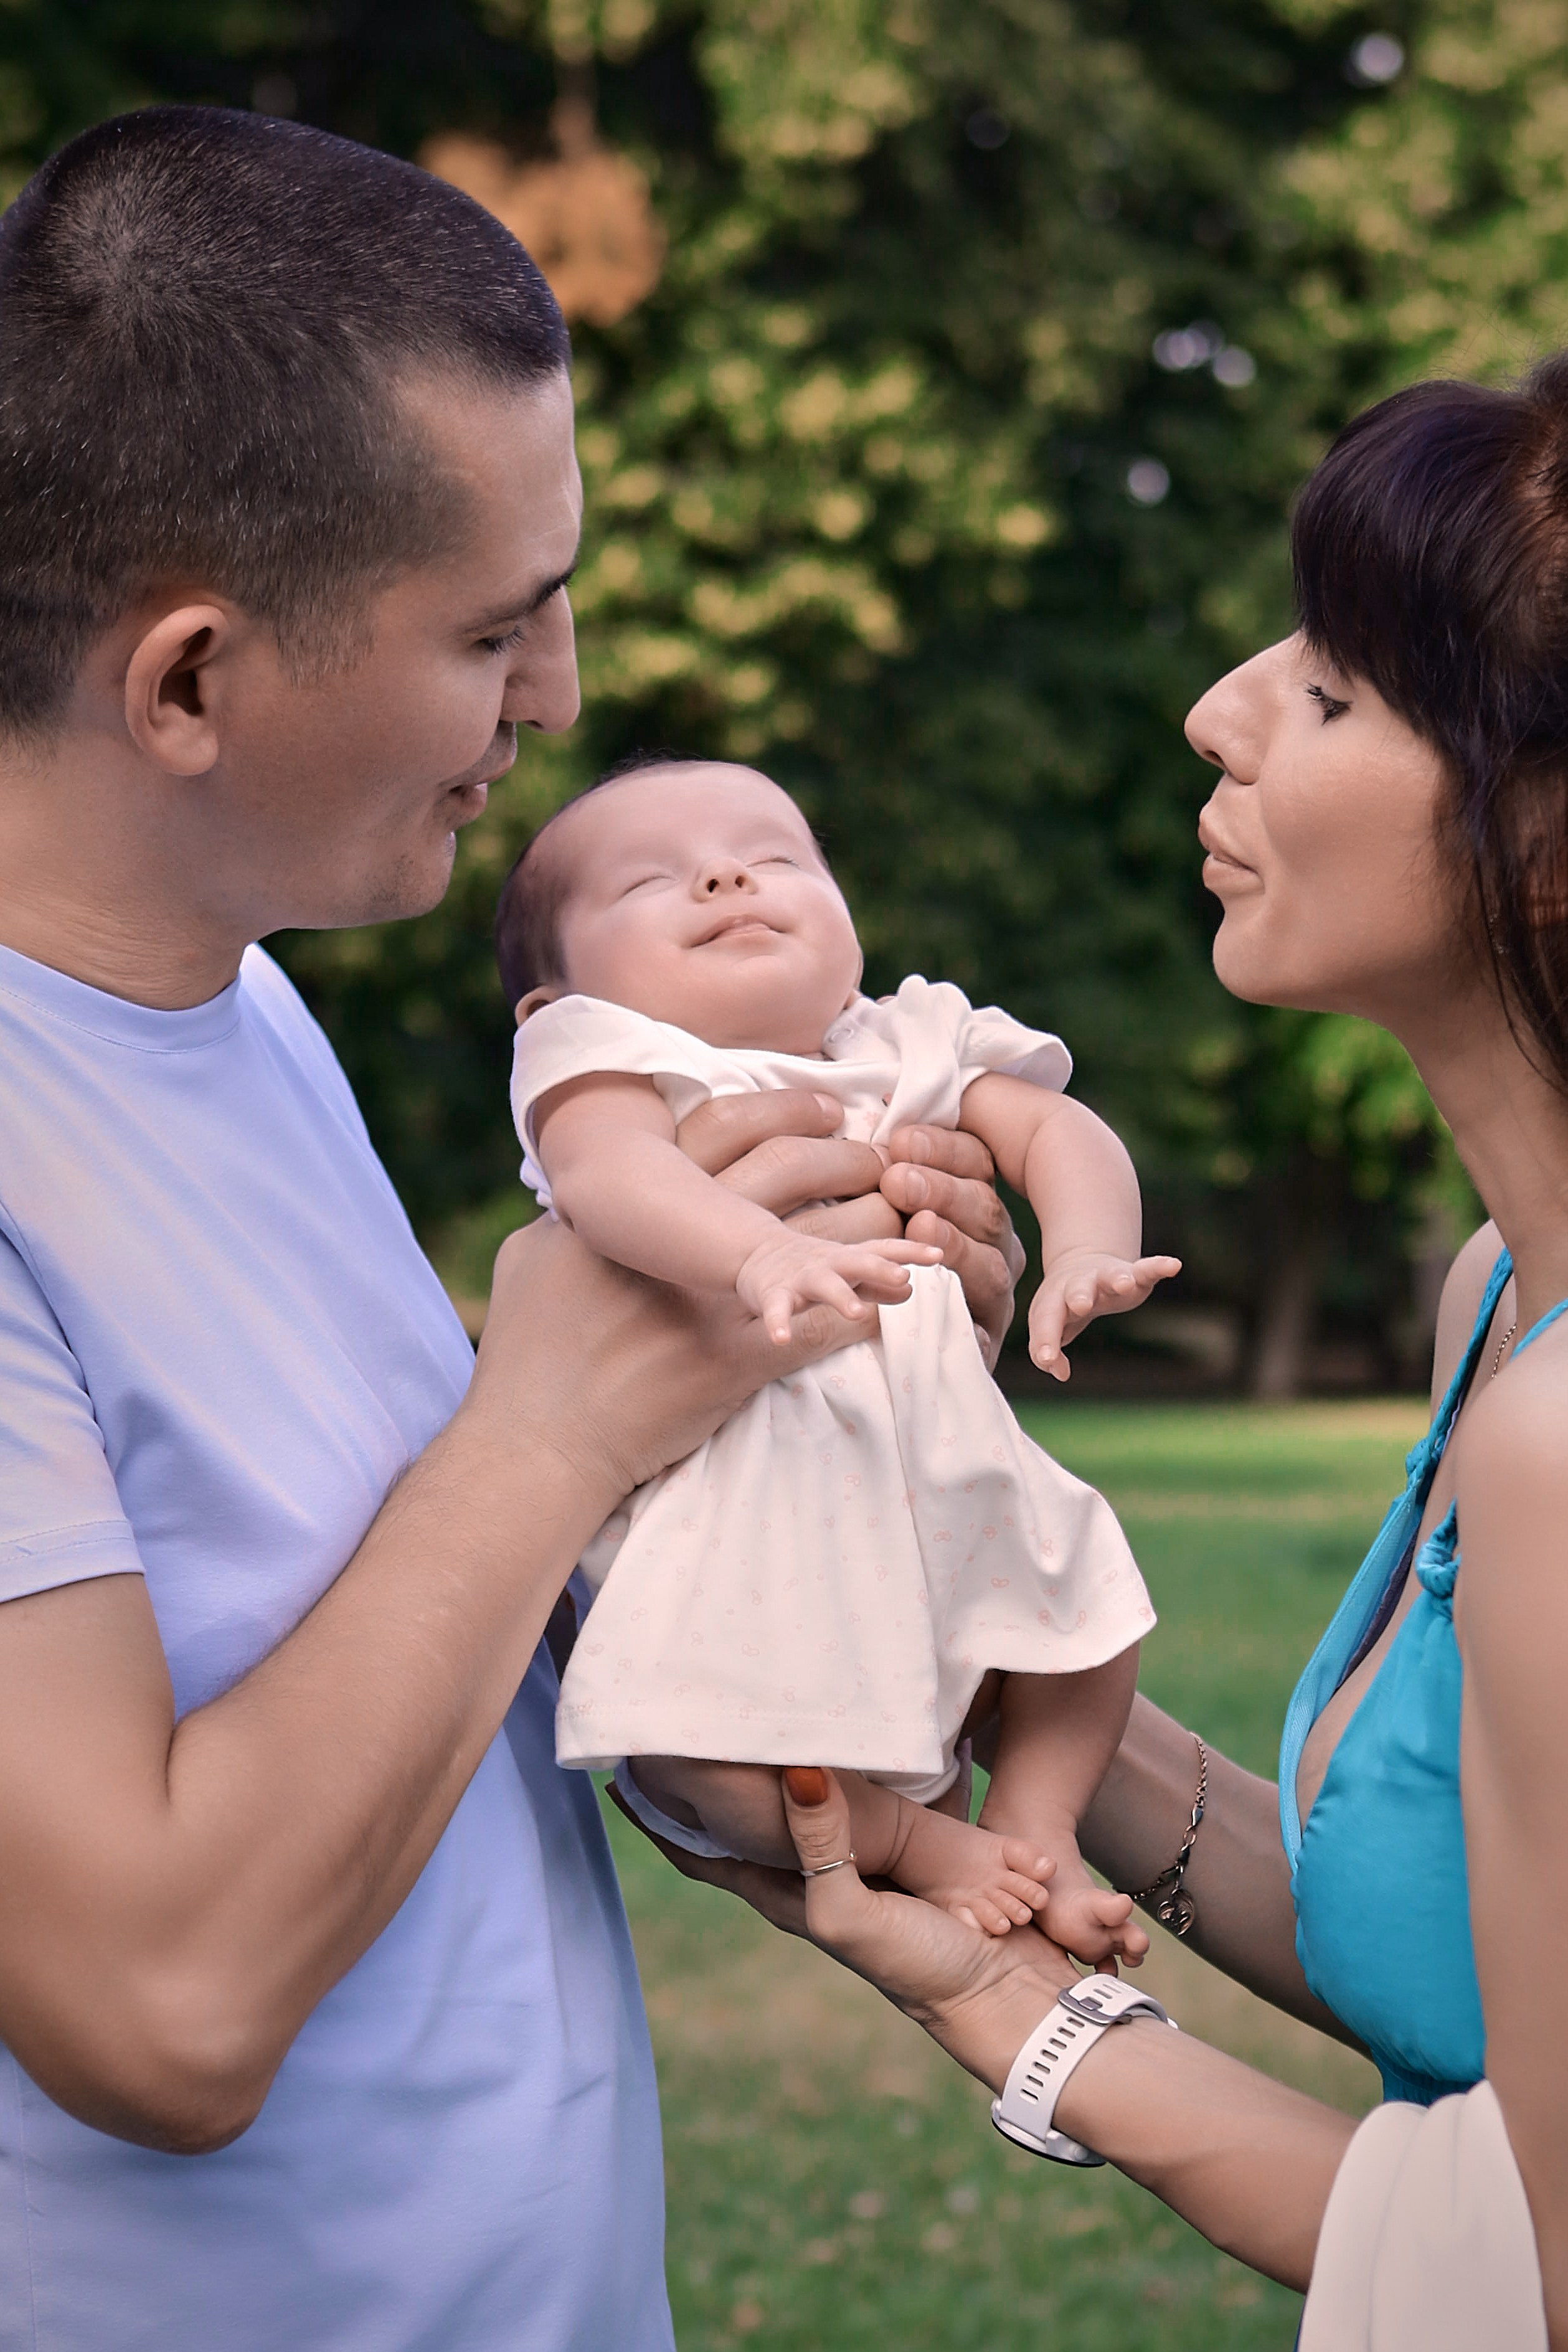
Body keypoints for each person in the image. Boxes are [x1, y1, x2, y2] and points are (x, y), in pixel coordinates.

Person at [0, 107, 1021, 2351]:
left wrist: (839, 1425)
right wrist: (548, 1422)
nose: (553, 696)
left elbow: (409, 1636)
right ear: (183, 680)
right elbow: (154, 2006)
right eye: (492, 626)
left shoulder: (238, 995)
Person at [649, 360, 1568, 2347]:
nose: (1219, 706)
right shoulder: (1494, 1291)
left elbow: (1534, 2268)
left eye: (1333, 691)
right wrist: (976, 1627)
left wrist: (1001, 1999)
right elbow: (1463, 1959)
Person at [499, 753, 1173, 1952]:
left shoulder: (913, 1036)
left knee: (1088, 1625)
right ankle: (921, 1844)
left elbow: (1058, 1130)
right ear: (555, 1003)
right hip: (737, 1505)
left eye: (775, 857)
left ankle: (1037, 1821)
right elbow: (612, 1178)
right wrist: (751, 1252)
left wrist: (1079, 1251)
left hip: (949, 1473)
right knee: (709, 1756)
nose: (724, 875)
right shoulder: (607, 1063)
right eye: (652, 880)